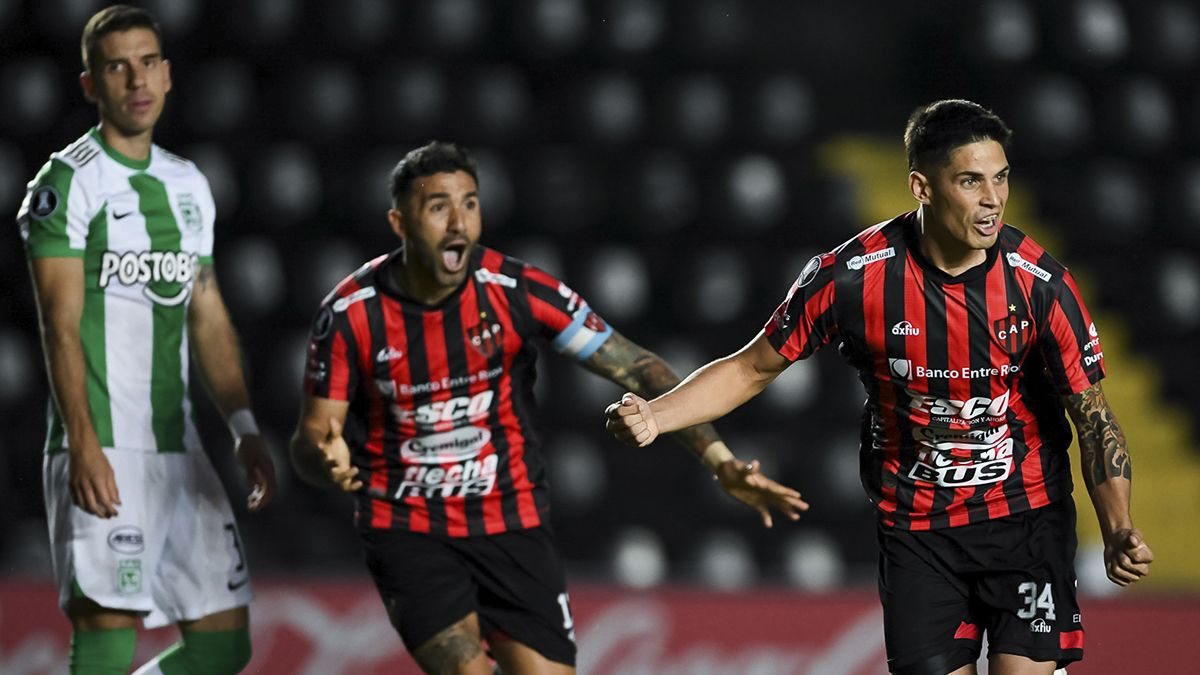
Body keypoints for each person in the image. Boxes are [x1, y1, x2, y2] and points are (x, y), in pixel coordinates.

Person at [606, 99, 1154, 675]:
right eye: (970, 181)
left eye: (1001, 178)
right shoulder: (851, 277)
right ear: (921, 186)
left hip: (1026, 522)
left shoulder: (1041, 284)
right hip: (918, 531)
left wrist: (1117, 528)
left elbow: (1092, 416)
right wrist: (658, 415)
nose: (992, 200)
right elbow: (751, 368)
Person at [289, 140, 808, 674]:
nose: (458, 222)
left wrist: (720, 460)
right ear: (399, 223)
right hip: (410, 528)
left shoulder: (517, 290)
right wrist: (326, 458)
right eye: (438, 206)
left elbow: (637, 368)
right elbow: (313, 439)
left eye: (469, 203)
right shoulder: (351, 313)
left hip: (511, 521)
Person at [16, 5, 276, 674]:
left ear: (167, 75)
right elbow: (58, 322)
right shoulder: (66, 181)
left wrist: (243, 424)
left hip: (178, 445)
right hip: (104, 439)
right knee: (107, 636)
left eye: (148, 62)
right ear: (90, 86)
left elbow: (208, 310)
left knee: (224, 643)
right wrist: (83, 444)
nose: (136, 78)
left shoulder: (188, 183)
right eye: (117, 66)